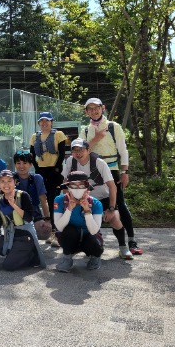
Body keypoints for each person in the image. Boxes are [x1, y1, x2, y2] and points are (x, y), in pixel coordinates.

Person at [81, 97, 142, 255]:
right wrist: (96, 139)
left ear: (103, 108)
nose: (94, 111)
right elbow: (81, 151)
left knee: (120, 203)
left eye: (96, 108)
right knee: (92, 203)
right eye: (90, 108)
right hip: (93, 171)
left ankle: (131, 240)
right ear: (86, 111)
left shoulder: (114, 127)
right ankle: (94, 241)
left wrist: (124, 171)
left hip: (113, 168)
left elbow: (123, 150)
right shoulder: (85, 130)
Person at [62, 139, 133, 260]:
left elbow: (112, 187)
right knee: (72, 223)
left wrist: (111, 208)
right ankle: (76, 248)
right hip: (80, 199)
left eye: (81, 150)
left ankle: (123, 247)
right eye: (75, 150)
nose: (78, 153)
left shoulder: (99, 163)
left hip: (103, 198)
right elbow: (65, 184)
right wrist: (68, 201)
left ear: (88, 150)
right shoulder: (70, 161)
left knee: (115, 219)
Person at [0, 170, 47, 271]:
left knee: (8, 266)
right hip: (10, 234)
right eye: (2, 181)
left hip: (25, 235)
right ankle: (15, 252)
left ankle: (31, 255)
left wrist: (14, 205)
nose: (6, 184)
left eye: (9, 181)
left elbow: (29, 218)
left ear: (15, 182)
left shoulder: (23, 195)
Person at [54, 171, 104, 272]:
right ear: (68, 187)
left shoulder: (96, 203)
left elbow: (94, 230)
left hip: (88, 237)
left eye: (81, 185)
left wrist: (87, 210)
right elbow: (59, 227)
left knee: (93, 240)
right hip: (71, 237)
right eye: (73, 185)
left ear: (86, 187)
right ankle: (67, 258)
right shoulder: (59, 200)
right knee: (68, 231)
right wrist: (69, 208)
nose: (77, 188)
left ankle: (95, 257)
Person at [29, 111, 66, 247]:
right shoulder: (34, 136)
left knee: (53, 200)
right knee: (42, 199)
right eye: (42, 121)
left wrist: (56, 169)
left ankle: (57, 233)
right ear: (39, 123)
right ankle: (48, 230)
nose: (44, 123)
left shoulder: (58, 134)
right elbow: (32, 155)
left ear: (51, 122)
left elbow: (62, 153)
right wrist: (37, 169)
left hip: (54, 171)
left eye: (47, 121)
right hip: (41, 171)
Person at [13, 151, 52, 241]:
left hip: (33, 212)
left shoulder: (36, 178)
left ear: (31, 164)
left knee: (45, 232)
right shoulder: (11, 178)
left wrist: (47, 220)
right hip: (15, 212)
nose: (21, 166)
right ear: (15, 164)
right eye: (18, 163)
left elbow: (43, 200)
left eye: (25, 163)